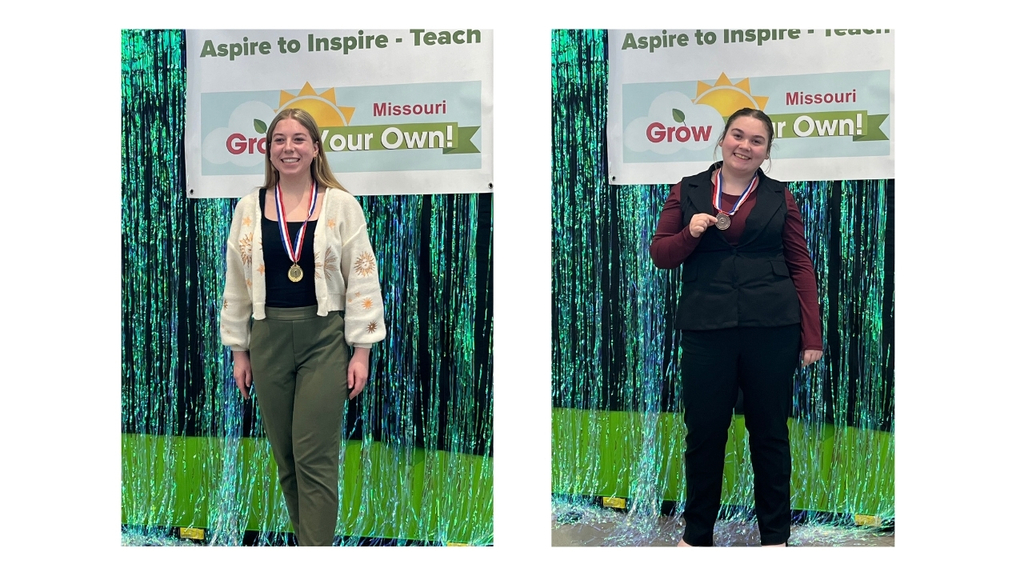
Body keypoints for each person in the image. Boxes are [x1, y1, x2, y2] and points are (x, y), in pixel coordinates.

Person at [649, 108, 823, 547]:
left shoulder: (780, 196)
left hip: (772, 329)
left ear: (767, 151)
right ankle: (696, 537)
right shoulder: (687, 190)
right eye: (737, 135)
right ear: (722, 139)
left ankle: (776, 539)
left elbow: (800, 266)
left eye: (757, 140)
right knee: (704, 434)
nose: (745, 145)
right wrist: (689, 232)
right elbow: (662, 254)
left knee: (769, 435)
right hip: (707, 329)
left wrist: (811, 335)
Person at [221, 108, 386, 546]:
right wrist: (239, 350)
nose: (288, 148)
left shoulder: (340, 205)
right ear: (268, 149)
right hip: (267, 338)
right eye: (278, 139)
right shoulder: (248, 208)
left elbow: (363, 277)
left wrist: (362, 350)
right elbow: (236, 283)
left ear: (315, 148)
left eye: (298, 139)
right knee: (288, 460)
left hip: (323, 340)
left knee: (314, 459)